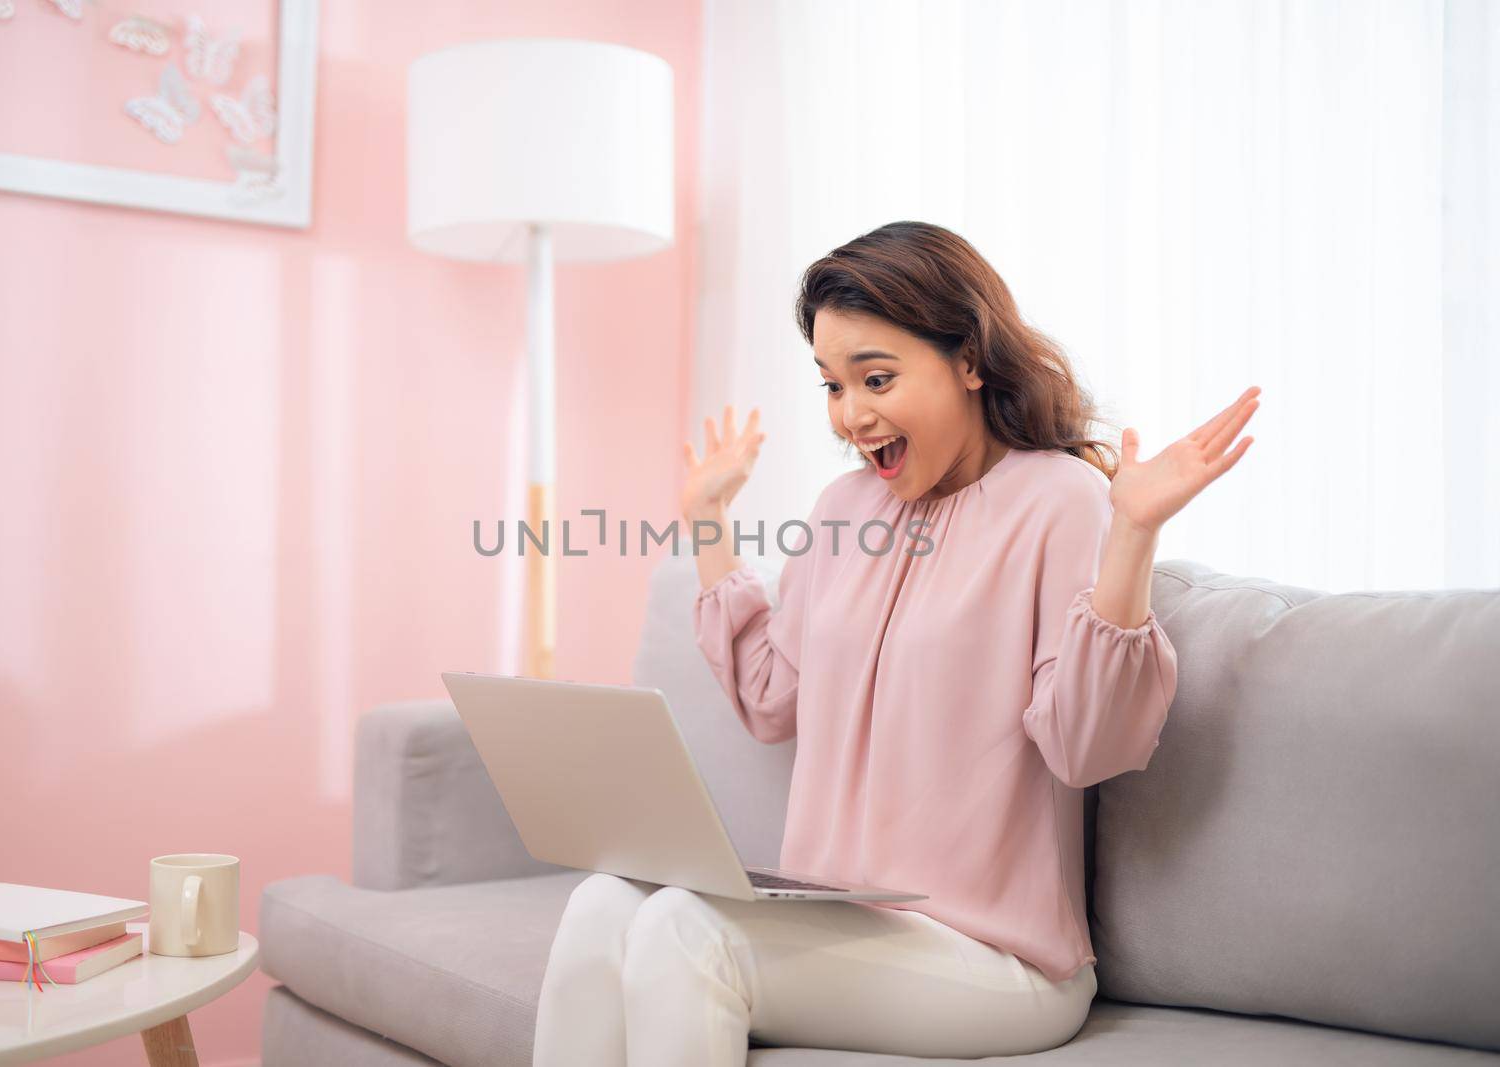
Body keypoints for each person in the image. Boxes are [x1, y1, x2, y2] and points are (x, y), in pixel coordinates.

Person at [531, 220, 1259, 1066]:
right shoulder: (843, 510)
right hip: (838, 924)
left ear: (969, 361)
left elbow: (1087, 742)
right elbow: (772, 698)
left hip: (993, 955)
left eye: (876, 378)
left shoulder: (1059, 501)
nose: (852, 415)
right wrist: (707, 523)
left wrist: (1132, 534)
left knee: (688, 932)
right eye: (833, 386)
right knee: (600, 904)